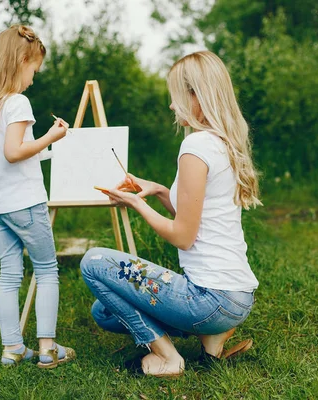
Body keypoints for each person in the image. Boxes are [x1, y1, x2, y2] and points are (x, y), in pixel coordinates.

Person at [80, 50, 262, 377]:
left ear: (197, 96)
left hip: (209, 297)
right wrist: (161, 192)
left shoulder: (195, 148)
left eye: (176, 96)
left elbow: (183, 236)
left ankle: (167, 357)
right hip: (237, 298)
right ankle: (211, 335)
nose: (171, 105)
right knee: (104, 311)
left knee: (93, 263)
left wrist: (138, 205)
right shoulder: (221, 142)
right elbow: (202, 216)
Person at [0, 25, 74, 369]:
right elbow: (13, 152)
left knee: (9, 274)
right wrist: (51, 137)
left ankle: (12, 348)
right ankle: (47, 348)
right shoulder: (18, 103)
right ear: (21, 60)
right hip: (26, 204)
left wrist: (44, 152)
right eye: (33, 71)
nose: (33, 80)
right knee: (47, 269)